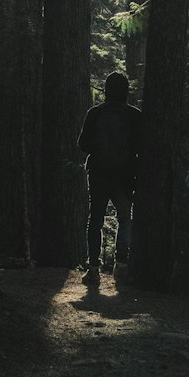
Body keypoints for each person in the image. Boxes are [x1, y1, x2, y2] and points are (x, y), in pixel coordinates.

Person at [77, 71, 142, 283]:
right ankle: (121, 264)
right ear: (126, 91)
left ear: (106, 90)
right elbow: (143, 147)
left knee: (95, 220)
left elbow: (82, 145)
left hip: (98, 174)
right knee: (125, 219)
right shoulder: (135, 115)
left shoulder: (95, 113)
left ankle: (94, 269)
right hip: (125, 175)